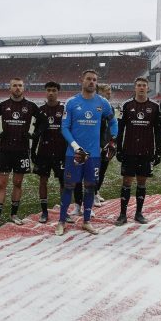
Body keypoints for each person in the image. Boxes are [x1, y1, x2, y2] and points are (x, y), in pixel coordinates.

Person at [56, 69, 118, 236]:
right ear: (81, 80)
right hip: (74, 154)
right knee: (69, 187)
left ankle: (86, 222)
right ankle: (61, 221)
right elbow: (64, 128)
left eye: (94, 80)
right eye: (89, 79)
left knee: (90, 188)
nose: (92, 82)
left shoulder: (102, 103)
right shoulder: (71, 102)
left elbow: (113, 122)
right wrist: (76, 146)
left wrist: (113, 139)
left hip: (94, 156)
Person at [0, 78, 46, 230]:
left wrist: (34, 134)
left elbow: (43, 121)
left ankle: (14, 215)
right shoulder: (3, 105)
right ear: (9, 88)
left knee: (18, 183)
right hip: (5, 150)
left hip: (22, 151)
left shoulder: (30, 106)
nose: (17, 88)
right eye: (14, 86)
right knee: (1, 184)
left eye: (20, 86)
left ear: (23, 88)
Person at [114, 77, 161, 225]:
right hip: (129, 150)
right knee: (127, 181)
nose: (141, 88)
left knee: (142, 181)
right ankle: (122, 214)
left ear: (147, 88)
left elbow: (158, 131)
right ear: (135, 88)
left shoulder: (155, 106)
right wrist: (119, 148)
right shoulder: (126, 105)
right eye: (139, 85)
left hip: (146, 151)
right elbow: (120, 129)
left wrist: (158, 151)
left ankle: (139, 213)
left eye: (144, 85)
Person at [31, 81, 66, 223]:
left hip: (61, 152)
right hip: (43, 152)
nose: (51, 93)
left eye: (54, 90)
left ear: (58, 92)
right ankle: (44, 212)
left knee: (63, 183)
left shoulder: (64, 110)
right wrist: (32, 151)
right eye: (49, 90)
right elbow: (36, 132)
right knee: (43, 181)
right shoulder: (40, 110)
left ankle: (64, 212)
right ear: (45, 92)